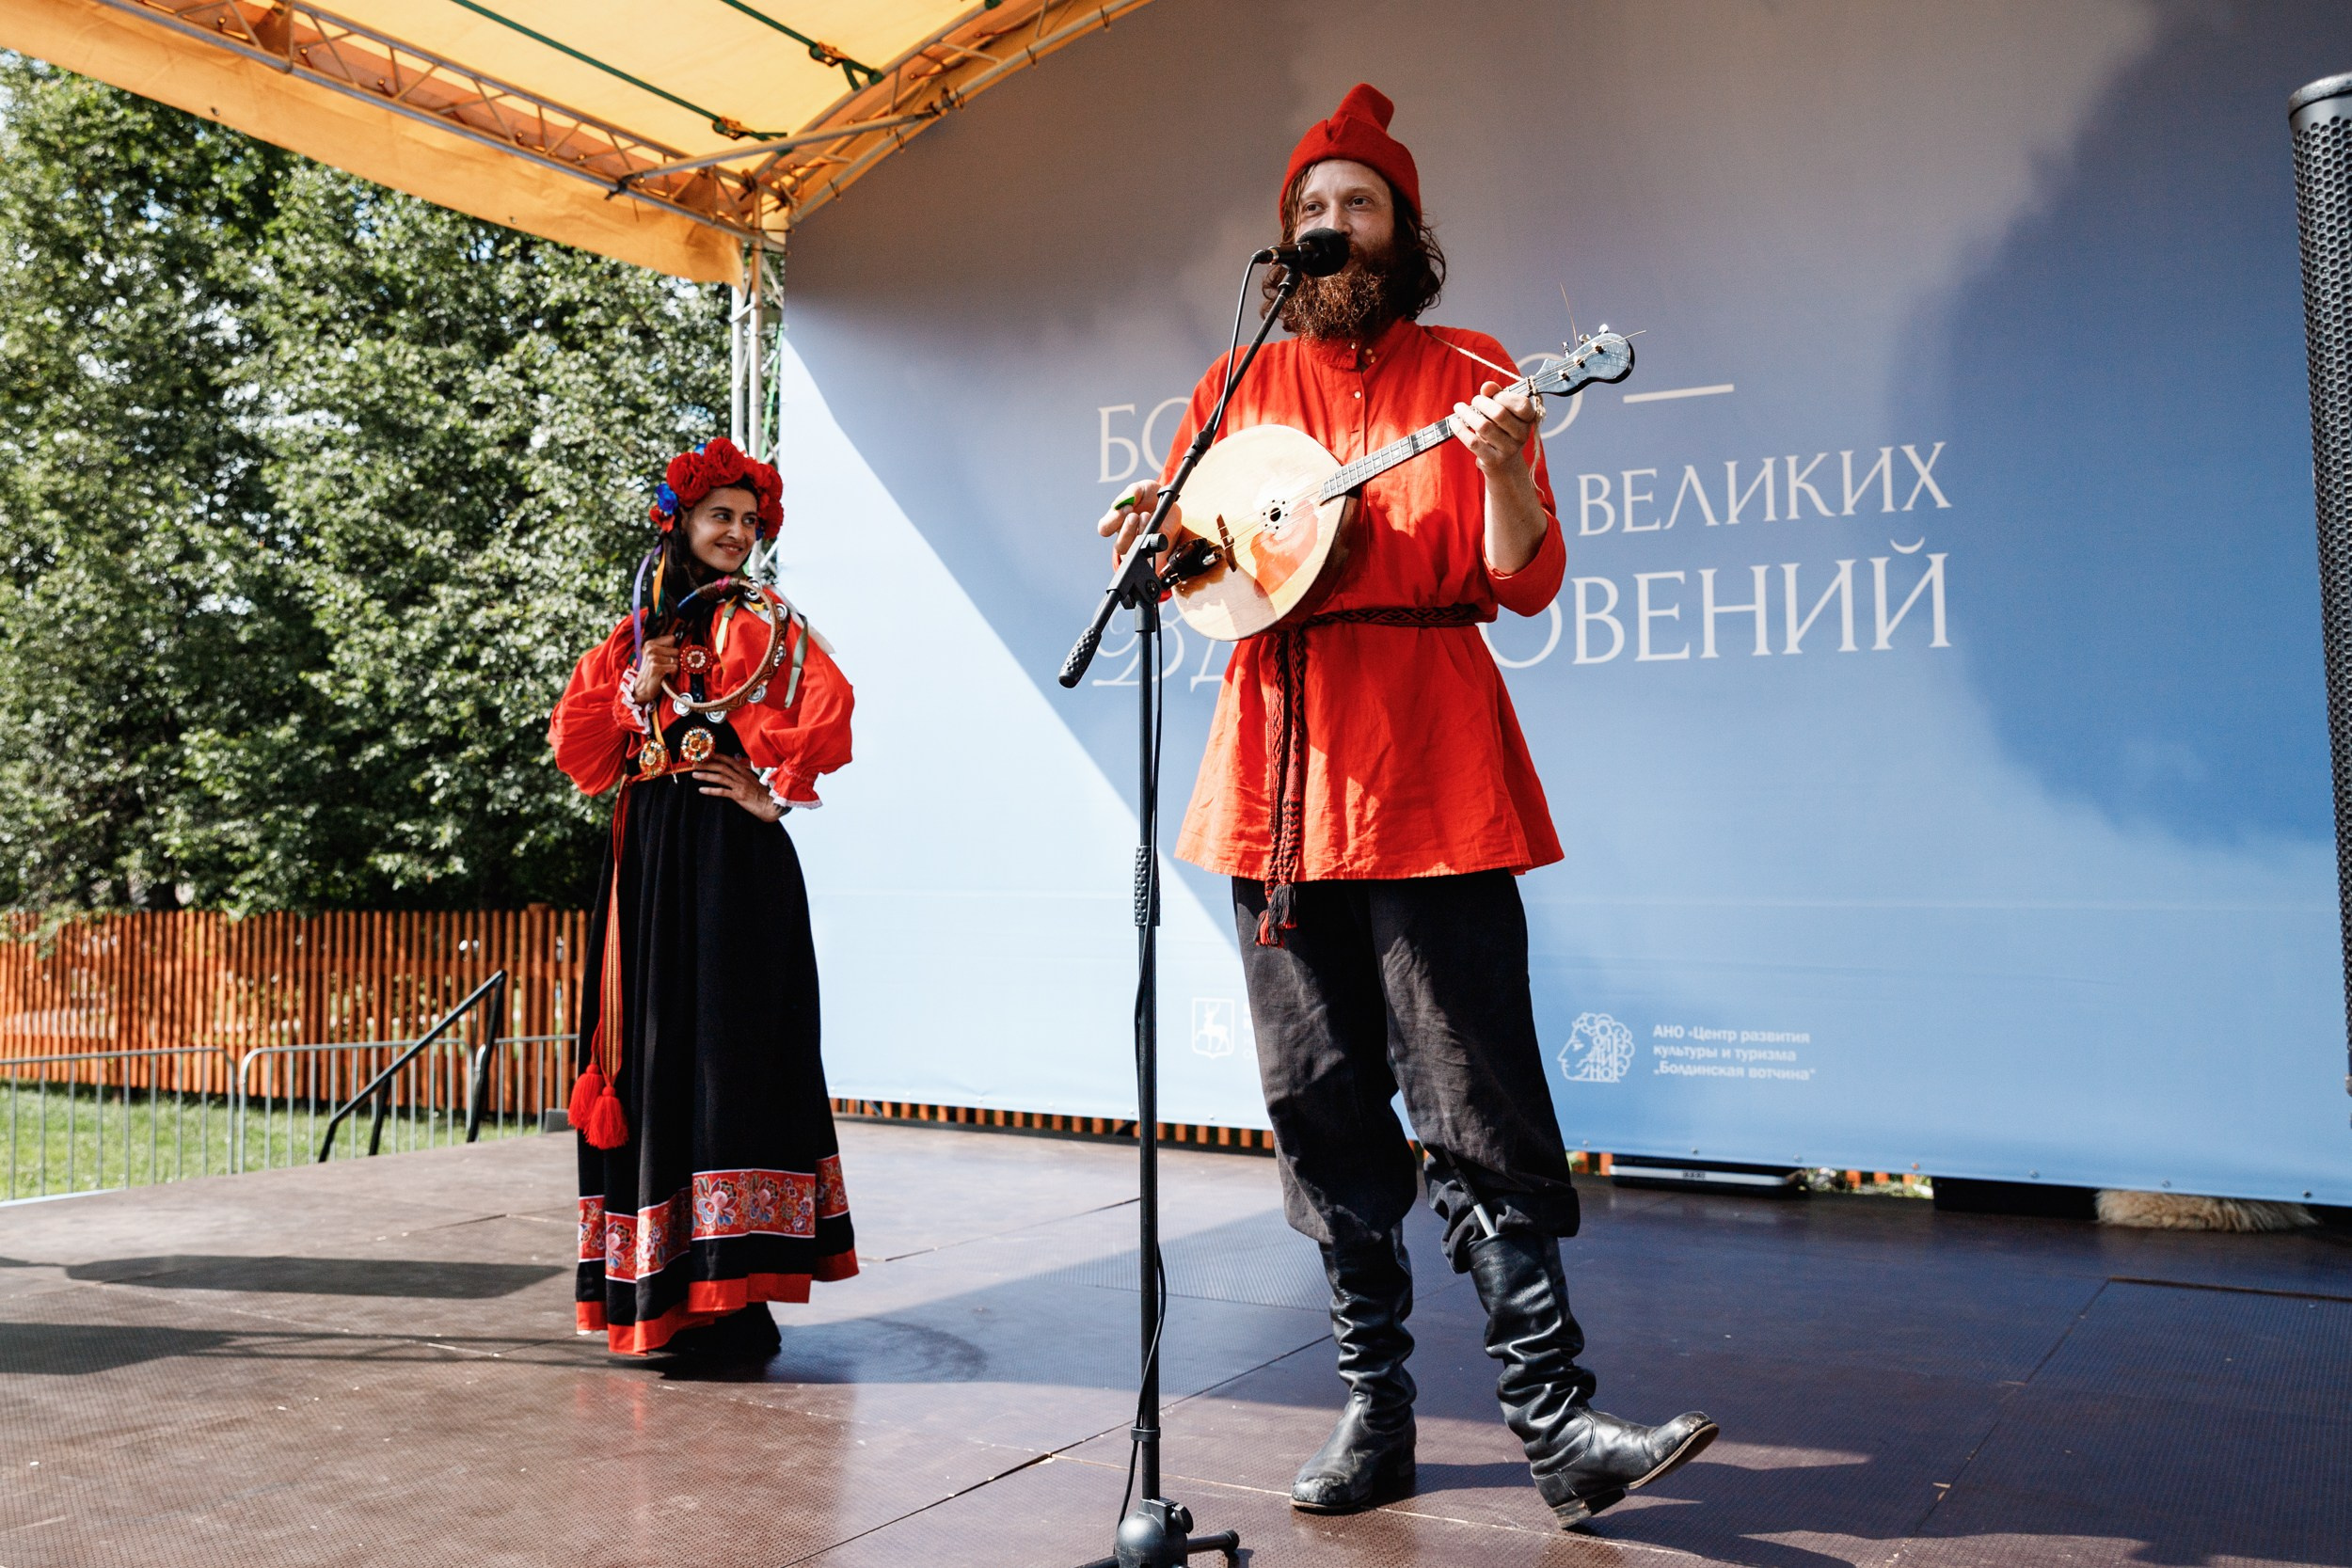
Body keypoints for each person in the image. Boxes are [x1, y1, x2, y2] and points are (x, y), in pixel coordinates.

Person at [1094, 86, 1716, 1528]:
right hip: (1273, 779)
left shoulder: (1477, 365)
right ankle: (1375, 1411)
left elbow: (1521, 574)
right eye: (1309, 212)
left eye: (1356, 206)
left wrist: (1504, 466)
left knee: (1475, 1091)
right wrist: (1161, 536)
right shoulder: (1234, 389)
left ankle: (1558, 1428)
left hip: (1432, 768)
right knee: (1318, 1100)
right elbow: (1202, 575)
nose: (1329, 229)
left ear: (1404, 231)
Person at [548, 436, 857, 1360]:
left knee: (730, 1053)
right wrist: (630, 695)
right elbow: (580, 754)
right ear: (680, 520)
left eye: (748, 521)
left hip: (731, 866)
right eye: (720, 515)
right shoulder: (631, 640)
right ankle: (662, 1295)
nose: (735, 532)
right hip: (647, 866)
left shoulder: (761, 625)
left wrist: (774, 793)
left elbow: (829, 713)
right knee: (652, 1059)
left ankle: (732, 1296)